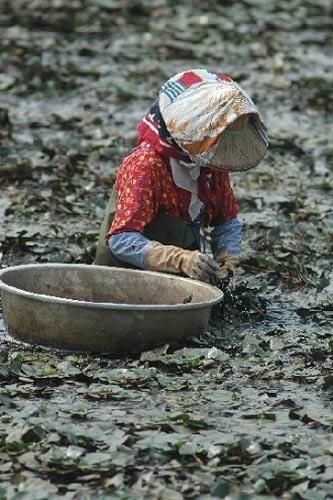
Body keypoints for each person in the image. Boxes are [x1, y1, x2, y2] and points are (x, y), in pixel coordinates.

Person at [95, 68, 268, 283]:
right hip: (123, 281)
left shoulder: (211, 165)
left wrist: (227, 258)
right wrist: (180, 260)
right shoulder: (147, 165)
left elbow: (227, 221)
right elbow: (121, 240)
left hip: (178, 281)